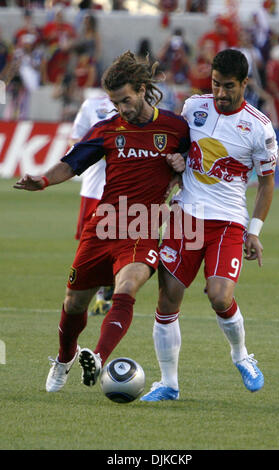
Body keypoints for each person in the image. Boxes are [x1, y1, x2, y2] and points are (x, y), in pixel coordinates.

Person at [14, 51, 190, 393]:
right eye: (115, 102)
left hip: (143, 226)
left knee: (126, 288)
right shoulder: (108, 129)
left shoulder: (175, 127)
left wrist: (181, 163)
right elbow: (72, 163)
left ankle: (97, 356)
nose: (121, 108)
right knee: (74, 303)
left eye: (125, 100)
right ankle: (65, 357)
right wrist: (44, 181)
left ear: (141, 89)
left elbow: (196, 163)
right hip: (104, 225)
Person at [140, 49, 278, 402]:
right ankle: (168, 384)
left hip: (228, 220)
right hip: (185, 215)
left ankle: (241, 355)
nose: (219, 93)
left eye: (228, 86)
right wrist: (178, 161)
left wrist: (254, 231)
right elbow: (182, 149)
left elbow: (266, 183)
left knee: (220, 296)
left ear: (245, 83)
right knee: (168, 299)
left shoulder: (259, 127)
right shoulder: (193, 108)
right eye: (215, 84)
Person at [69, 90, 116, 315]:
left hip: (121, 185)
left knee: (117, 241)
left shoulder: (136, 103)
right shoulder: (92, 105)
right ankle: (94, 293)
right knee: (88, 242)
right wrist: (95, 148)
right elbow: (74, 137)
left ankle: (106, 292)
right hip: (93, 186)